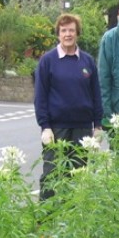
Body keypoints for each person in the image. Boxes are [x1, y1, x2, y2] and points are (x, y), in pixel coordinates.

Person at [34, 13, 103, 201]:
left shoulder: (87, 61)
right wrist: (45, 126)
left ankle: (72, 215)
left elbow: (96, 94)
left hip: (82, 128)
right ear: (58, 34)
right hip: (57, 129)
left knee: (78, 174)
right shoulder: (48, 61)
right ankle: (46, 218)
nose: (67, 34)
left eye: (71, 30)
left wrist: (98, 126)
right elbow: (40, 96)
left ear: (77, 33)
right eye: (63, 30)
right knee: (52, 173)